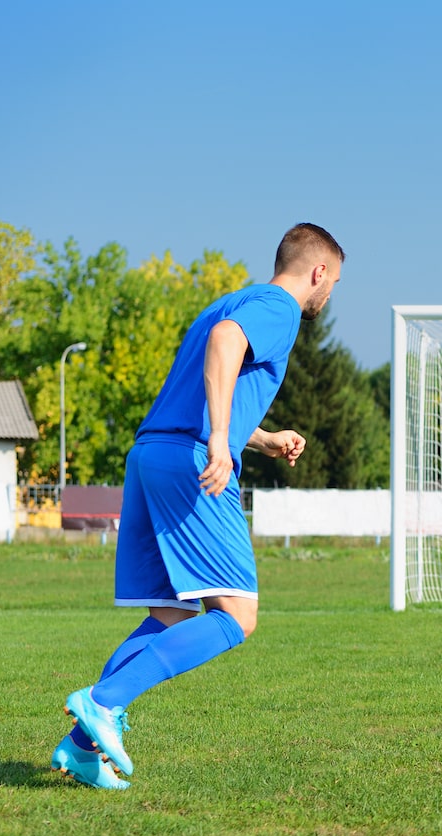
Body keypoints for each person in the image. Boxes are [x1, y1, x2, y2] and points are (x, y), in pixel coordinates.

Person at [52, 223, 344, 790]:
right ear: (318, 272)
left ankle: (83, 747)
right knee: (237, 615)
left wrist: (259, 438)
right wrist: (217, 439)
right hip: (190, 458)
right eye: (333, 282)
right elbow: (226, 345)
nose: (330, 295)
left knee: (172, 611)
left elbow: (216, 373)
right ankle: (102, 702)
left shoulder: (227, 301)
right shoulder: (278, 308)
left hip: (153, 453)